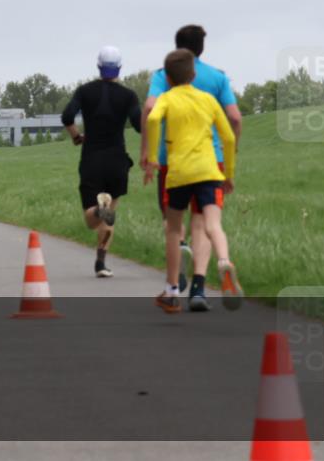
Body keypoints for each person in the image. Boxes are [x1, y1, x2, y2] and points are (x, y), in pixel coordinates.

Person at [141, 25, 242, 311]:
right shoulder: (217, 80)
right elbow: (234, 122)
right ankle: (209, 277)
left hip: (174, 166)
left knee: (174, 227)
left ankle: (172, 288)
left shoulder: (163, 79)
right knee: (208, 224)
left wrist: (149, 157)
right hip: (213, 163)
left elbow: (149, 111)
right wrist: (230, 170)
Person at [60, 46, 141, 278]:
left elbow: (67, 116)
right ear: (119, 67)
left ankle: (97, 209)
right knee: (109, 216)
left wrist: (76, 136)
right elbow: (138, 125)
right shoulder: (128, 96)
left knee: (91, 219)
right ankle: (101, 263)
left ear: (98, 66)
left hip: (92, 159)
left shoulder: (85, 91)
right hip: (117, 161)